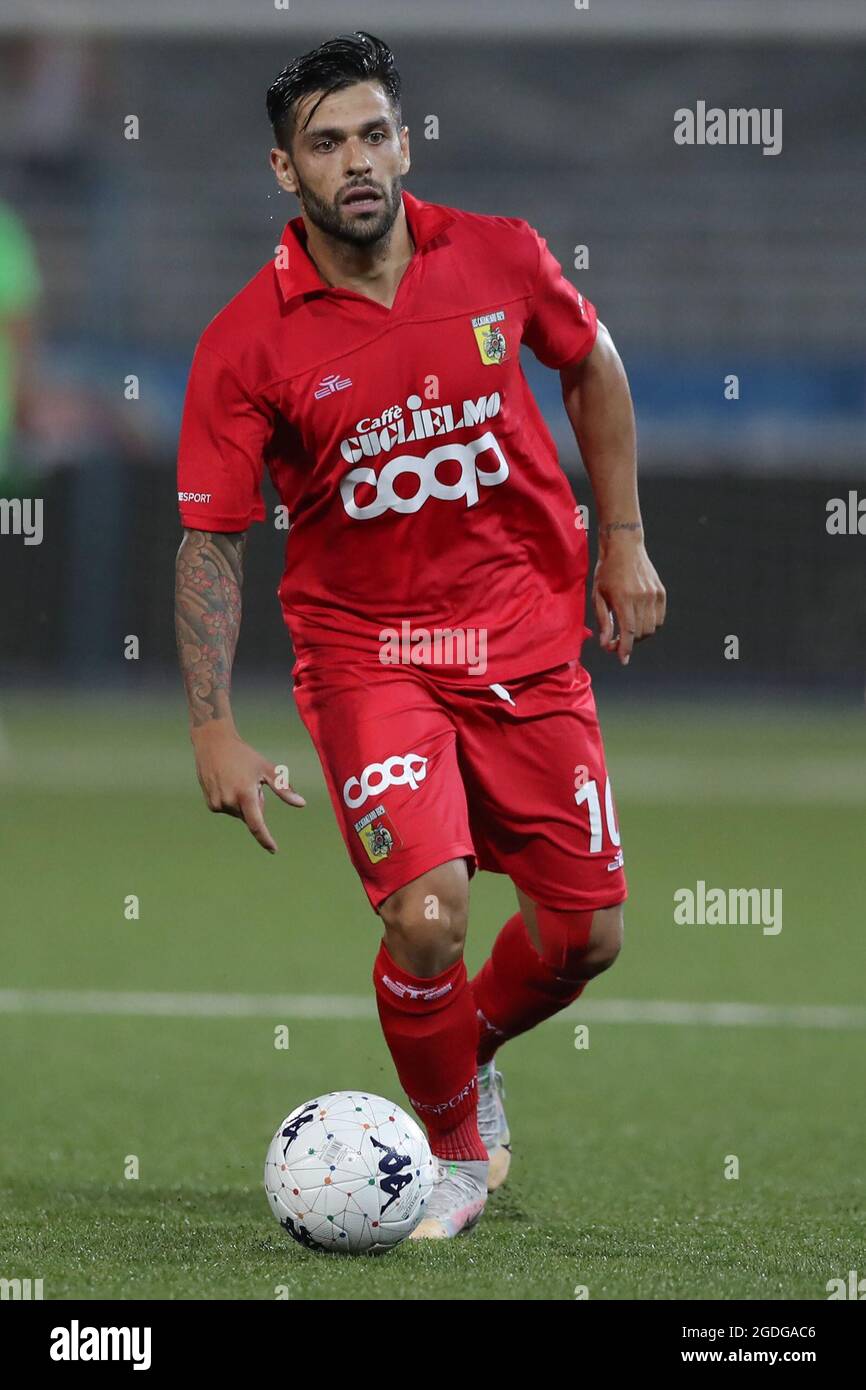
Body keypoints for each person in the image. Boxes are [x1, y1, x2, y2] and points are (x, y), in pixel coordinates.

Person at [174, 31, 666, 1241]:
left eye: (374, 133)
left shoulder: (497, 256)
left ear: (406, 142)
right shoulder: (248, 341)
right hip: (368, 659)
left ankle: (467, 1046)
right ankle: (444, 1153)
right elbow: (210, 540)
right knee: (429, 915)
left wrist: (621, 539)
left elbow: (591, 364)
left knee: (585, 936)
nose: (356, 160)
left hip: (527, 644)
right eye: (326, 141)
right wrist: (214, 728)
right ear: (284, 171)